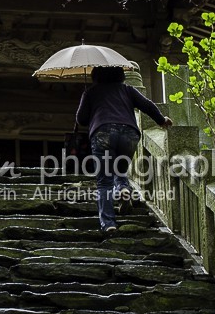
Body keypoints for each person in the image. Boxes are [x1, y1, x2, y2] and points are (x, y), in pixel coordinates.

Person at [74, 66, 173, 236]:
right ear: (120, 75)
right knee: (119, 168)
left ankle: (109, 223)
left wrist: (89, 99)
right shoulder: (127, 89)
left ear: (96, 76)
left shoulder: (91, 92)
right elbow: (147, 105)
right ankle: (123, 189)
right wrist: (161, 120)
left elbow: (81, 119)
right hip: (129, 133)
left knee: (104, 181)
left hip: (103, 132)